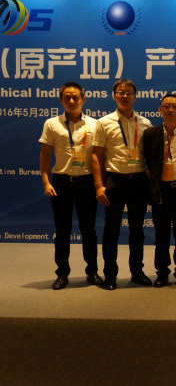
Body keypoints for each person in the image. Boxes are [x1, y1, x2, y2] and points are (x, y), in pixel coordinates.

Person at [39, 82, 101, 290]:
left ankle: (92, 271)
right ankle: (62, 273)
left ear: (84, 99)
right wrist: (46, 182)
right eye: (67, 97)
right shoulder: (52, 124)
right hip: (61, 183)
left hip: (87, 183)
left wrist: (99, 185)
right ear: (61, 100)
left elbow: (99, 156)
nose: (72, 100)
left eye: (76, 97)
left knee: (88, 230)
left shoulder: (95, 124)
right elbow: (45, 156)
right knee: (62, 230)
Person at [92, 79, 153, 291]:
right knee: (111, 230)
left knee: (137, 230)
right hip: (114, 181)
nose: (125, 96)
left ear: (135, 96)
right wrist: (99, 186)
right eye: (120, 92)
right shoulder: (104, 123)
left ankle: (137, 271)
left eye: (129, 93)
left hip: (138, 182)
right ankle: (110, 274)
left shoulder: (145, 123)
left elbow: (150, 155)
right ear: (114, 96)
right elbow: (96, 156)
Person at [143, 94, 176, 288]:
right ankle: (162, 273)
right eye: (166, 106)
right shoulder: (150, 134)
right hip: (161, 191)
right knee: (161, 235)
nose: (171, 110)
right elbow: (148, 159)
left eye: (175, 106)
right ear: (160, 110)